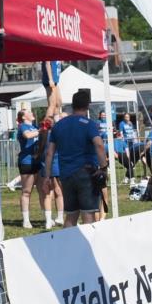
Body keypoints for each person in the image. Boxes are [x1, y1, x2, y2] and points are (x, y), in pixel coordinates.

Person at [41, 90, 107, 227]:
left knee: (71, 216)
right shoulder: (89, 124)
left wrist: (47, 177)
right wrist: (103, 168)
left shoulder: (59, 125)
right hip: (86, 173)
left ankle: (67, 247)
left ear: (73, 105)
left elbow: (49, 153)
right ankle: (87, 247)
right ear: (87, 106)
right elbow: (99, 145)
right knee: (88, 215)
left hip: (66, 175)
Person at [16, 109, 43, 228]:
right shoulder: (23, 126)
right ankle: (26, 220)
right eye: (29, 112)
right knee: (27, 191)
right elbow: (27, 135)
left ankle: (46, 217)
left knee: (43, 190)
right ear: (23, 117)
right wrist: (42, 130)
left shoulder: (35, 126)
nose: (32, 113)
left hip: (38, 161)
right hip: (26, 161)